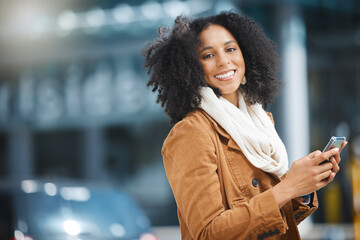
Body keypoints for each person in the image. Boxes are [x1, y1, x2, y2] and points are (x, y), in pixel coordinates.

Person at [143, 11, 347, 240]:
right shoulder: (191, 132)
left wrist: (305, 187)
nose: (223, 61)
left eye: (231, 49)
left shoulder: (258, 122)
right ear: (190, 68)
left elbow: (270, 225)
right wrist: (288, 187)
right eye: (208, 55)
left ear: (246, 55)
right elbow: (208, 233)